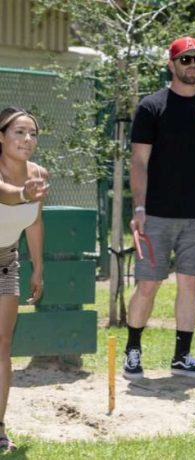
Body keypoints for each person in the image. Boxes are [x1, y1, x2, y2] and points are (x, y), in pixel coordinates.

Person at [123, 36, 195, 380]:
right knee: (148, 284)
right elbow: (138, 162)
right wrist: (140, 208)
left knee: (190, 285)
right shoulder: (151, 107)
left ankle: (182, 355)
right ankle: (133, 349)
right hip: (156, 214)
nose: (192, 65)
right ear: (171, 63)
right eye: (185, 59)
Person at [0, 107, 49, 452]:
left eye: (32, 133)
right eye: (19, 132)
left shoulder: (38, 174)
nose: (27, 139)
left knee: (2, 346)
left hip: (6, 262)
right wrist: (22, 195)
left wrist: (38, 267)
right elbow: (4, 193)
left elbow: (33, 221)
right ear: (1, 136)